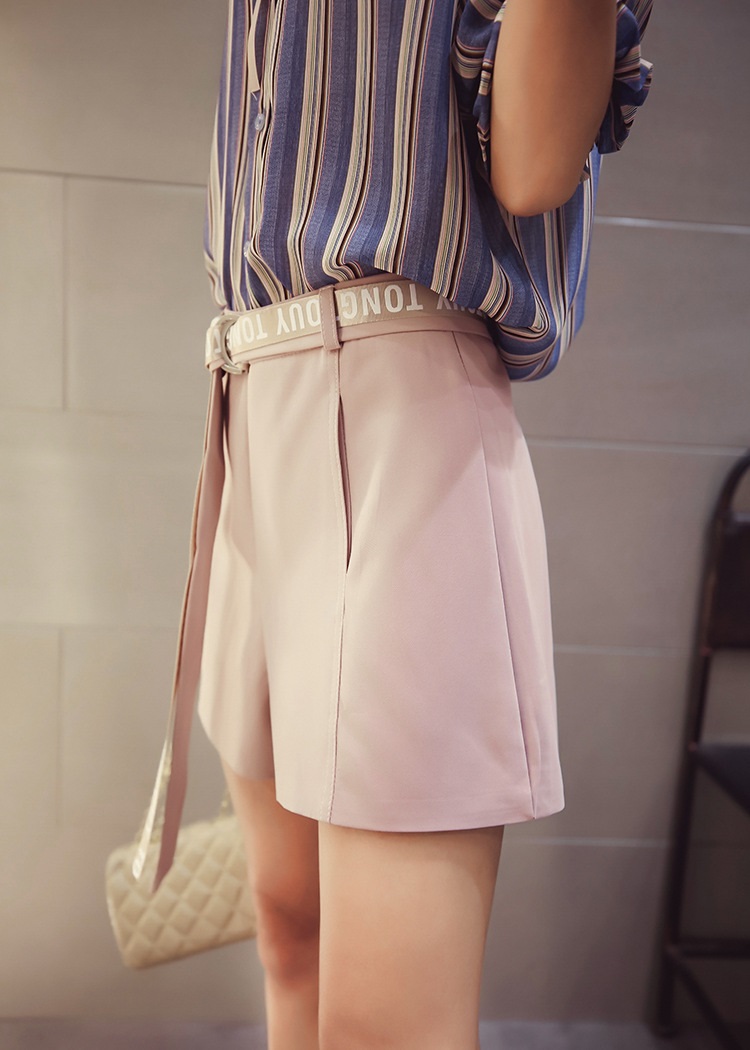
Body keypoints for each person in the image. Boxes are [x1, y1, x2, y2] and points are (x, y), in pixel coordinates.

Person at [150, 1, 654, 1047]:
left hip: (399, 405)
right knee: (288, 930)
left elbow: (533, 167)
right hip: (252, 388)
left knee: (385, 1027)